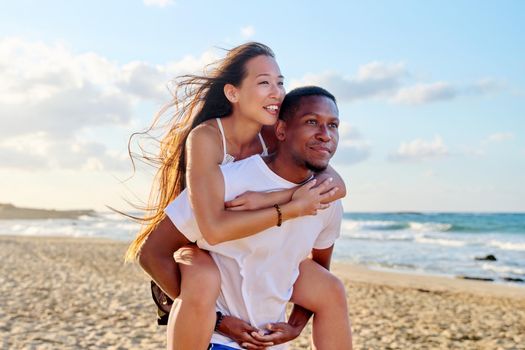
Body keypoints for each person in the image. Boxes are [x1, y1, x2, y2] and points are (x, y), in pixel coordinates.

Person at [125, 42, 347, 349]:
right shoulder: (207, 138)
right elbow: (213, 229)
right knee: (203, 280)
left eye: (280, 82)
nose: (276, 92)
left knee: (331, 289)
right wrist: (288, 209)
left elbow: (334, 184)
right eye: (264, 82)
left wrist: (272, 197)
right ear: (233, 93)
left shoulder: (271, 131)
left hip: (248, 242)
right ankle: (204, 319)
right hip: (198, 239)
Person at [164, 86, 353, 350]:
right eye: (312, 122)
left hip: (269, 342)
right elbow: (155, 251)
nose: (325, 135)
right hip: (215, 340)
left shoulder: (326, 199)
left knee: (333, 288)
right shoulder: (229, 183)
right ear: (281, 130)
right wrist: (218, 320)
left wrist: (295, 326)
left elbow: (320, 271)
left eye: (333, 125)